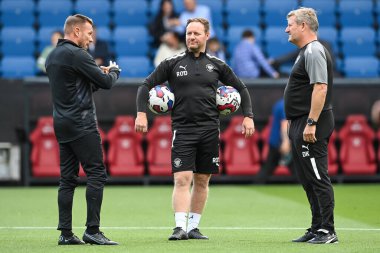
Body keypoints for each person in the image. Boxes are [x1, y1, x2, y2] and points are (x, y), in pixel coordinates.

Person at [135, 17, 254, 240]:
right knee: (182, 179)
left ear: (206, 36)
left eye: (196, 33)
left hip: (210, 130)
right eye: (189, 33)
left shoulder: (217, 65)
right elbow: (145, 86)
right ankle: (179, 227)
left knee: (202, 180)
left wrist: (248, 116)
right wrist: (141, 113)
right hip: (183, 130)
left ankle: (193, 227)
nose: (191, 37)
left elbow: (242, 88)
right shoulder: (173, 62)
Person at [45, 14, 121, 246]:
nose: (91, 39)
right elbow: (105, 83)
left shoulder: (53, 56)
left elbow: (78, 87)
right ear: (76, 31)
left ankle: (66, 233)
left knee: (67, 179)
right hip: (82, 122)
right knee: (96, 174)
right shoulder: (77, 54)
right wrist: (114, 71)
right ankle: (93, 230)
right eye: (88, 33)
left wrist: (98, 75)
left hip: (61, 123)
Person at [284, 7, 338, 244]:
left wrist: (311, 123)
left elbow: (320, 88)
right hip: (301, 122)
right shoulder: (305, 51)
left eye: (290, 24)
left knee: (317, 176)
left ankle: (328, 230)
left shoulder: (314, 51)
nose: (287, 29)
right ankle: (317, 227)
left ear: (303, 26)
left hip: (311, 123)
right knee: (307, 178)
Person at [256, 98, 293, 184]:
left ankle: (256, 185)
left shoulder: (280, 104)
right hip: (279, 143)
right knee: (268, 168)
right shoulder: (285, 105)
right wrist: (286, 142)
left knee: (268, 168)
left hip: (275, 141)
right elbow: (284, 124)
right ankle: (257, 184)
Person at [270, 38, 341, 77]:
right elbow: (290, 56)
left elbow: (330, 64)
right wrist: (274, 61)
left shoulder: (325, 45)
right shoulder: (304, 47)